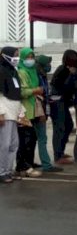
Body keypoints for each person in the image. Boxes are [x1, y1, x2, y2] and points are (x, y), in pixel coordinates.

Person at [15, 48, 44, 178]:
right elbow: (21, 92)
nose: (30, 60)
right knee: (25, 140)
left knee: (32, 139)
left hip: (33, 110)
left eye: (32, 57)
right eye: (28, 57)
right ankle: (23, 166)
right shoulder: (22, 72)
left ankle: (29, 163)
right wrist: (35, 91)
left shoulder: (32, 71)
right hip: (24, 111)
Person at [50, 50, 77, 166]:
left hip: (63, 103)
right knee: (60, 128)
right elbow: (64, 87)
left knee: (68, 126)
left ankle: (60, 152)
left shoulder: (66, 69)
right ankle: (58, 155)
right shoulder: (62, 70)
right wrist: (71, 75)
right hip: (57, 103)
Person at [0, 47, 23, 183]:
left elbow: (16, 93)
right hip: (5, 112)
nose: (17, 58)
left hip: (13, 112)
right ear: (6, 56)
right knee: (4, 144)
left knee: (14, 144)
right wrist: (1, 113)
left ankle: (8, 170)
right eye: (15, 55)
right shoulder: (1, 71)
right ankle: (2, 171)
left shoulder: (13, 71)